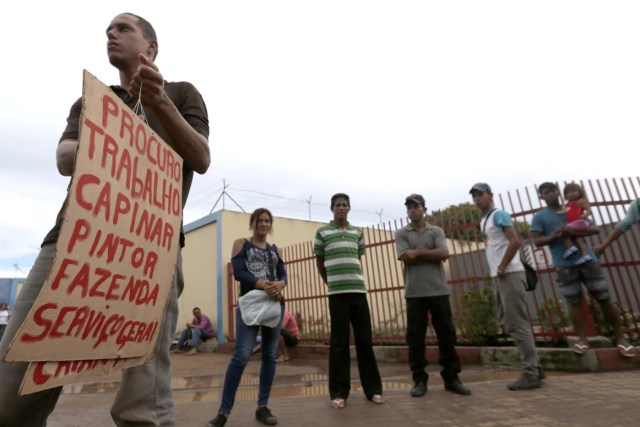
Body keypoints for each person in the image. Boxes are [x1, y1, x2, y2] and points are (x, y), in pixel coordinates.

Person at [0, 13, 211, 426]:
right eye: (107, 32)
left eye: (123, 29)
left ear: (151, 47)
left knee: (142, 400)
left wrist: (159, 103)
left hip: (153, 247)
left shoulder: (182, 94)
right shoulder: (92, 100)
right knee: (12, 386)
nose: (111, 35)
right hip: (73, 241)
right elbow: (65, 158)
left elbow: (201, 158)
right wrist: (115, 129)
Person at [530, 182, 635, 358]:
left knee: (604, 297)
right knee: (574, 300)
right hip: (563, 263)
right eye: (545, 193)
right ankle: (582, 339)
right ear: (541, 196)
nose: (550, 195)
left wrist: (572, 233)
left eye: (552, 191)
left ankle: (621, 338)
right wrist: (555, 236)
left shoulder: (574, 206)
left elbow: (595, 228)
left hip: (587, 260)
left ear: (558, 191)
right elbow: (537, 241)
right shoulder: (539, 217)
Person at [207, 208, 287, 427]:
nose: (263, 224)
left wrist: (279, 284)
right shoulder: (242, 243)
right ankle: (223, 412)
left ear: (270, 225)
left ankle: (263, 407)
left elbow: (283, 274)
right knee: (241, 355)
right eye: (259, 220)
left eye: (267, 221)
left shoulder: (275, 249)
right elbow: (239, 272)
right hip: (250, 304)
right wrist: (262, 284)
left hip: (273, 304)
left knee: (270, 355)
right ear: (252, 223)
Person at [395, 194, 471, 398]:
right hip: (414, 293)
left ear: (424, 209)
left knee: (446, 335)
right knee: (415, 339)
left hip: (438, 290)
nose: (412, 210)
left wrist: (418, 253)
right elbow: (405, 257)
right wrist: (430, 253)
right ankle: (419, 379)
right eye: (409, 208)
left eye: (415, 206)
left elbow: (444, 254)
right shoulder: (402, 233)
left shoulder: (436, 230)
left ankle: (452, 378)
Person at [469, 184, 543, 390]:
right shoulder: (484, 220)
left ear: (490, 196)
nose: (477, 199)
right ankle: (535, 367)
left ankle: (531, 373)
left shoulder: (499, 214)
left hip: (509, 273)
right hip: (499, 276)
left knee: (517, 323)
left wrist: (502, 266)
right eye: (474, 196)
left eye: (480, 195)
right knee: (507, 321)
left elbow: (515, 241)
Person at [314, 193, 384, 409]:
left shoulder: (357, 232)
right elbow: (320, 263)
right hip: (337, 295)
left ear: (349, 208)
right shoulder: (322, 232)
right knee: (339, 344)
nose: (341, 208)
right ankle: (339, 393)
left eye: (344, 205)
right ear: (331, 208)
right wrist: (332, 283)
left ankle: (373, 390)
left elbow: (358, 259)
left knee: (365, 342)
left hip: (358, 292)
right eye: (337, 205)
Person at [562, 183, 593, 265]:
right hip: (574, 224)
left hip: (579, 222)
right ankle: (585, 255)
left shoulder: (580, 201)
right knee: (579, 239)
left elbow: (589, 209)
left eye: (573, 191)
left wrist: (585, 215)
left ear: (580, 191)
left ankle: (571, 248)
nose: (571, 194)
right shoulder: (568, 204)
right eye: (568, 192)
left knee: (563, 231)